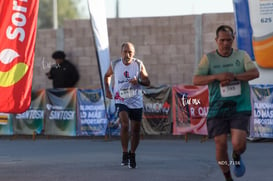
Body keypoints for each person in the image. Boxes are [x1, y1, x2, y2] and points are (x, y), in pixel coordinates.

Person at [193, 25, 259, 181]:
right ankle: (227, 177)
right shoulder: (208, 59)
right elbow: (196, 79)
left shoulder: (241, 56)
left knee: (239, 144)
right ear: (216, 40)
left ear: (233, 40)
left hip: (239, 106)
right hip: (218, 108)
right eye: (222, 40)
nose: (225, 44)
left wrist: (234, 76)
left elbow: (255, 73)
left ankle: (236, 155)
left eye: (228, 40)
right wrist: (217, 77)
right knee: (220, 143)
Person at [104, 42, 150, 168]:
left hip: (136, 100)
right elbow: (107, 76)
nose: (127, 54)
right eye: (125, 52)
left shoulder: (138, 64)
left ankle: (132, 154)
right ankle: (124, 152)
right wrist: (107, 90)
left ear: (133, 54)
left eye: (130, 52)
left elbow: (147, 81)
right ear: (121, 52)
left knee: (135, 130)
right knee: (124, 124)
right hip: (121, 99)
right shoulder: (115, 64)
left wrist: (139, 81)